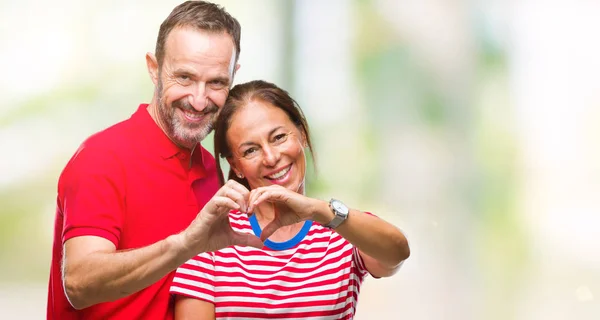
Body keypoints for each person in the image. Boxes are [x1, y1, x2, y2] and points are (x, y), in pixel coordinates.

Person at [46, 2, 265, 319]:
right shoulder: (102, 157)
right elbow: (79, 284)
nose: (199, 99)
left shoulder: (211, 169)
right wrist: (184, 244)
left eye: (216, 82)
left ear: (233, 76)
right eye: (185, 77)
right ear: (153, 67)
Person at [169, 80, 411, 319]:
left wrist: (320, 212)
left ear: (302, 135)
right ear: (236, 165)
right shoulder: (211, 239)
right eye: (250, 150)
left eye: (278, 137)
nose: (271, 157)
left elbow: (397, 253)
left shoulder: (340, 226)